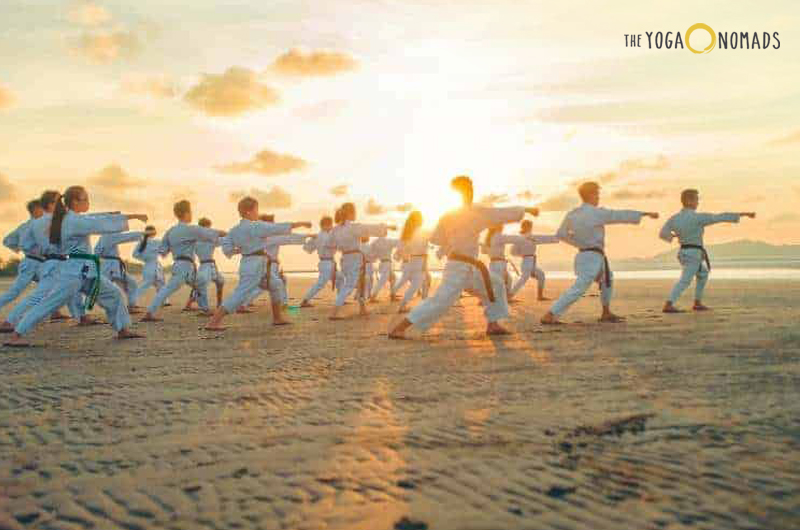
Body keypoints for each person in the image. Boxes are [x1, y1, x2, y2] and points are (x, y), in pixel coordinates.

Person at [389, 175, 540, 339]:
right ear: (465, 192)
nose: (472, 192)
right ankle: (400, 327)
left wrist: (454, 238)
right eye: (469, 189)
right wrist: (527, 210)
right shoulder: (475, 211)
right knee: (441, 301)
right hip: (458, 267)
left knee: (496, 285)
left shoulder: (449, 215)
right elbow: (501, 213)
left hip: (470, 266)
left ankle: (493, 324)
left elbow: (436, 239)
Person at [4, 186, 148, 347]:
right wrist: (133, 217)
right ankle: (16, 335)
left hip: (85, 270)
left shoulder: (70, 218)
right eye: (84, 199)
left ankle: (122, 329)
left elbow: (94, 219)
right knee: (50, 302)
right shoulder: (72, 220)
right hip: (72, 272)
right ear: (74, 202)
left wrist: (128, 216)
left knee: (113, 294)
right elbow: (97, 224)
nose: (88, 202)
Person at [540, 181, 659, 325]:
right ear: (591, 195)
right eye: (597, 194)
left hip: (585, 255)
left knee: (607, 279)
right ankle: (551, 313)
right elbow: (619, 215)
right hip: (592, 257)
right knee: (580, 286)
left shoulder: (572, 214)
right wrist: (644, 214)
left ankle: (606, 312)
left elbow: (561, 234)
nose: (598, 197)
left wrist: (579, 243)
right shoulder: (596, 212)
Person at [204, 197, 310, 330]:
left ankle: (277, 318)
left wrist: (240, 249)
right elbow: (276, 228)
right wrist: (300, 223)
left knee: (276, 284)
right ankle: (214, 322)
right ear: (249, 211)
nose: (257, 213)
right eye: (256, 210)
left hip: (250, 262)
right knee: (240, 294)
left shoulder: (234, 230)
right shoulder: (255, 226)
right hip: (255, 265)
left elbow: (227, 248)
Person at [0, 191, 86, 333]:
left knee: (61, 286)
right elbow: (10, 241)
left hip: (43, 263)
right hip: (33, 262)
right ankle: (10, 321)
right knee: (20, 292)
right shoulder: (33, 224)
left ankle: (66, 314)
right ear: (36, 209)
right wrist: (27, 250)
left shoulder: (46, 222)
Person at [660, 189, 755, 312]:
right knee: (685, 280)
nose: (698, 202)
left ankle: (697, 303)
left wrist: (672, 236)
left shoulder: (674, 218)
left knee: (703, 274)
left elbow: (662, 234)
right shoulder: (697, 217)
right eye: (696, 199)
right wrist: (744, 214)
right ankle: (669, 304)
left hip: (684, 252)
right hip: (693, 253)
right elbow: (719, 217)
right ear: (689, 201)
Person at [140, 200, 225, 322]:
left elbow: (163, 251)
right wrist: (231, 234)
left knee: (200, 284)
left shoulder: (171, 231)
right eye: (190, 212)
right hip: (185, 267)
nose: (191, 215)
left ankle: (205, 309)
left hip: (181, 265)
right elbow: (212, 233)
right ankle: (149, 313)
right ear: (186, 213)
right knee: (167, 289)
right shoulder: (190, 229)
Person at [330, 203, 395, 320]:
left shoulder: (335, 229)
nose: (355, 214)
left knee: (360, 283)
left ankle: (362, 308)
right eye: (354, 212)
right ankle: (335, 311)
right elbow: (370, 228)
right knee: (350, 284)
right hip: (354, 258)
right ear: (350, 213)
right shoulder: (353, 227)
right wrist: (388, 227)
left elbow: (330, 245)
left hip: (345, 258)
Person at [0, 199, 45, 313]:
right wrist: (22, 249)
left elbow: (7, 241)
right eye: (43, 208)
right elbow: (7, 241)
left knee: (51, 286)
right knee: (14, 292)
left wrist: (18, 248)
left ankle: (55, 313)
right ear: (35, 210)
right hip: (31, 263)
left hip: (40, 263)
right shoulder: (28, 226)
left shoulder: (30, 225)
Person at [508, 220, 560, 301]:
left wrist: (522, 254)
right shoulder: (528, 237)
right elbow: (546, 238)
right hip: (527, 261)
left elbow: (512, 252)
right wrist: (559, 237)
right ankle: (509, 296)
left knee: (541, 275)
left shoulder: (520, 238)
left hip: (529, 261)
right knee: (523, 279)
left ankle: (539, 296)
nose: (531, 228)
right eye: (530, 226)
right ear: (528, 227)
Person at [94, 228, 145, 312]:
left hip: (109, 265)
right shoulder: (110, 235)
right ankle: (125, 307)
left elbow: (96, 251)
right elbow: (126, 237)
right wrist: (143, 233)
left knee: (130, 283)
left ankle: (131, 306)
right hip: (111, 266)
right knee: (128, 284)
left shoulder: (103, 237)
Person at [395, 211, 431, 313]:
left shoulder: (407, 232)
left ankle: (421, 303)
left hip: (411, 260)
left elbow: (400, 249)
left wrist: (401, 257)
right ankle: (422, 304)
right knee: (420, 283)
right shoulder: (423, 231)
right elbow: (432, 240)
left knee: (421, 282)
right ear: (420, 220)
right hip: (420, 260)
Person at [299, 216, 338, 307]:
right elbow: (334, 245)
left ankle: (340, 298)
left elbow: (307, 249)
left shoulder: (319, 236)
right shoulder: (324, 236)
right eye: (329, 225)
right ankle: (305, 300)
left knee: (340, 279)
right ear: (323, 225)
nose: (331, 226)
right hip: (326, 263)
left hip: (328, 262)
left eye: (331, 225)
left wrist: (313, 241)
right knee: (320, 283)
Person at [131, 226, 168, 307]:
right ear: (153, 232)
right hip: (154, 265)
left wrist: (144, 258)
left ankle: (133, 301)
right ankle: (163, 301)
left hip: (148, 265)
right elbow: (163, 252)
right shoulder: (156, 241)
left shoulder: (141, 242)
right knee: (159, 283)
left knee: (152, 284)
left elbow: (134, 255)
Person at [192, 218, 225, 309]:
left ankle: (219, 304)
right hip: (205, 265)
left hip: (211, 265)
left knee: (221, 282)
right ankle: (205, 308)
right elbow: (222, 238)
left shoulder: (209, 239)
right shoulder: (199, 240)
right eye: (208, 228)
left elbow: (223, 240)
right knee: (202, 284)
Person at [368, 234, 399, 302]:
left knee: (393, 277)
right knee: (382, 281)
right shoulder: (388, 241)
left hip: (382, 263)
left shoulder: (375, 242)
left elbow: (371, 254)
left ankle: (393, 295)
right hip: (386, 263)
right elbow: (399, 242)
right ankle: (373, 296)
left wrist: (374, 258)